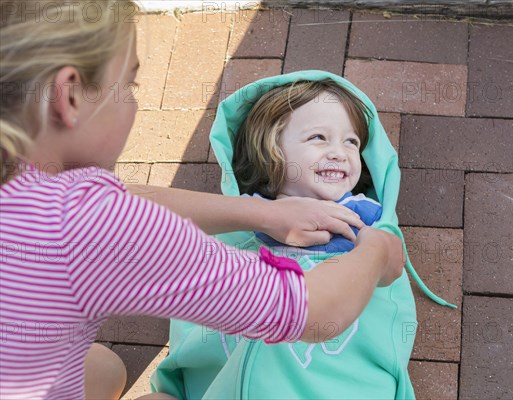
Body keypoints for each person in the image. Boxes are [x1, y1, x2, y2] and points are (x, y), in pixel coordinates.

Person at [0, 2, 407, 399]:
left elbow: (112, 202)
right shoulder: (89, 226)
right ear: (68, 96)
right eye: (127, 86)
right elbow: (312, 313)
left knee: (104, 368)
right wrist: (375, 252)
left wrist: (261, 211)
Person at [151, 72, 456, 399]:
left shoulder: (363, 216)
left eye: (351, 141)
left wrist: (376, 242)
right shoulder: (239, 219)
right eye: (318, 138)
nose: (339, 152)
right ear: (270, 148)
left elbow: (389, 269)